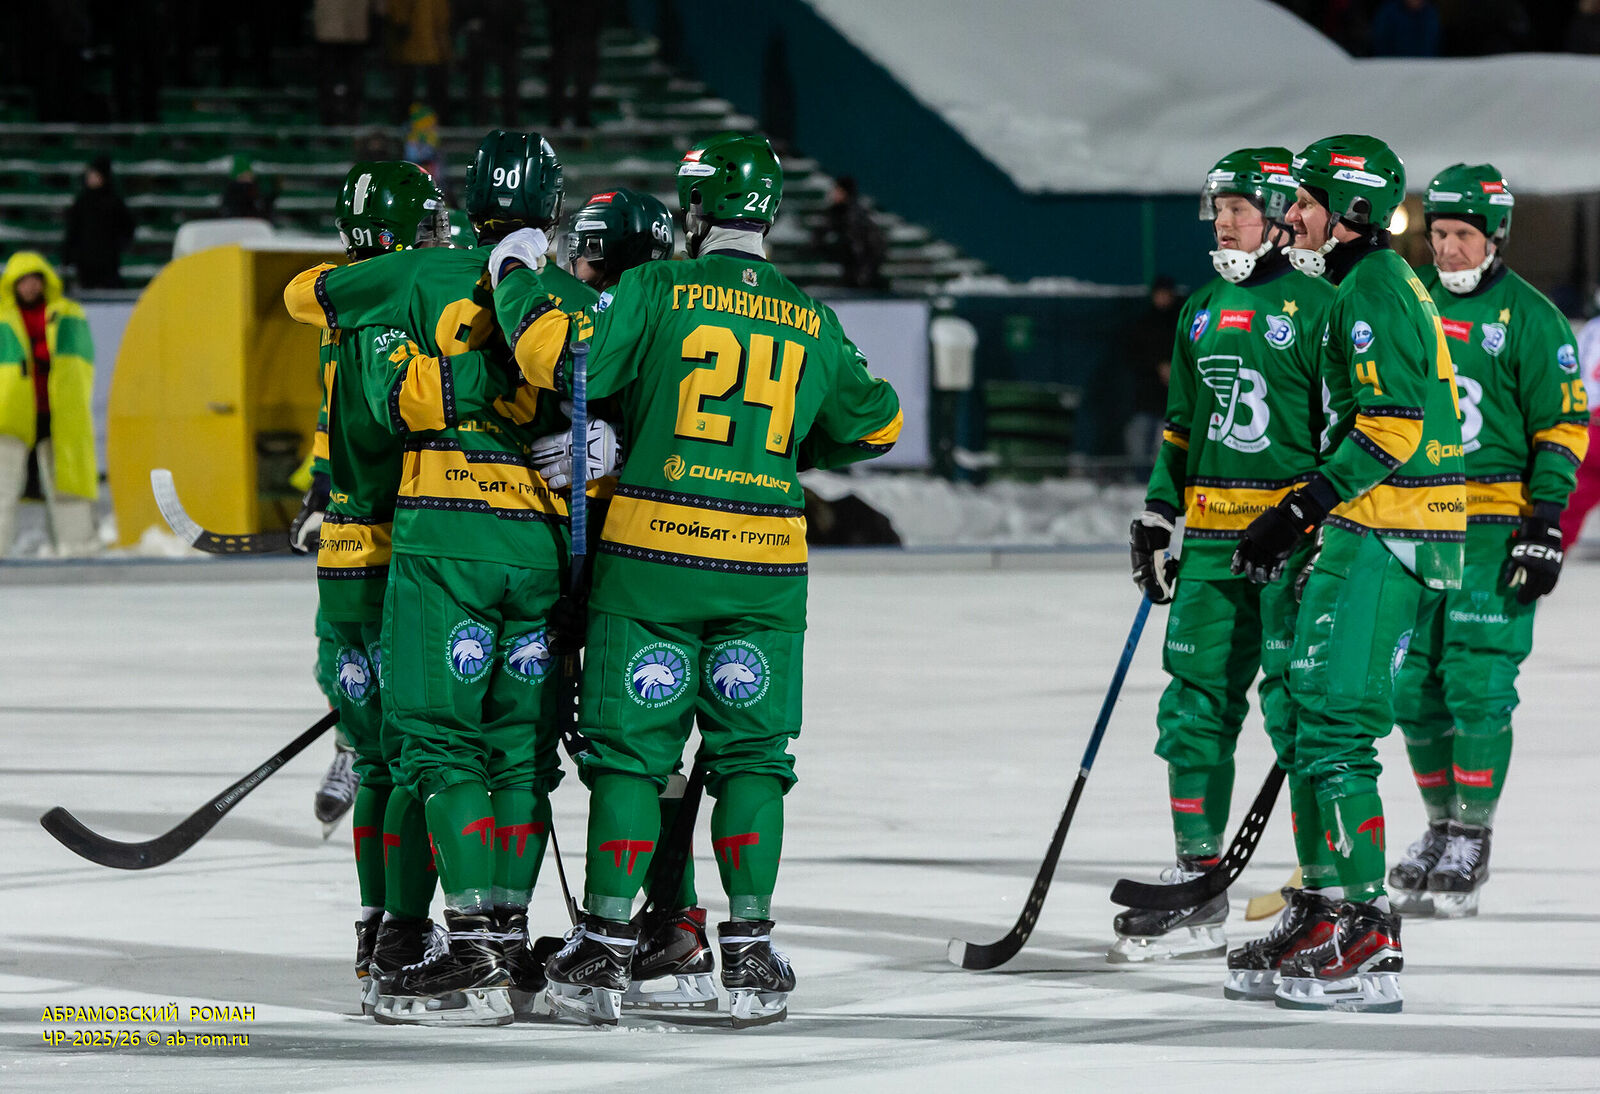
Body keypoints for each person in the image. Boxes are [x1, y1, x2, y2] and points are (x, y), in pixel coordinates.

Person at [492, 132, 903, 1027]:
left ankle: (604, 947)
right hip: (765, 569)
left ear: (698, 209)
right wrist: (782, 445)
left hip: (655, 562)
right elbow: (878, 425)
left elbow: (567, 359)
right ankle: (750, 951)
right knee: (754, 759)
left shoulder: (658, 287)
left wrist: (515, 275)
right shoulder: (810, 317)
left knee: (630, 758)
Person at [285, 130, 601, 1026]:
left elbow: (311, 301)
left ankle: (426, 942)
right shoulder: (568, 298)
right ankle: (506, 935)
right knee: (520, 759)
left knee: (413, 756)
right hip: (539, 544)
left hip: (419, 542)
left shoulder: (401, 282)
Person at [1227, 135, 1465, 1014]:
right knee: (1304, 719)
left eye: (1305, 201)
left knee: (1333, 726)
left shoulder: (1373, 287)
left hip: (1391, 529)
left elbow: (1395, 425)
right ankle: (1325, 906)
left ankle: (1367, 931)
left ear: (1351, 211)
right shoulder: (1359, 284)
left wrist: (1299, 510)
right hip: (1369, 525)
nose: (1290, 215)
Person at [1115, 150, 1335, 963]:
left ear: (1277, 214)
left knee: (1298, 712)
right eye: (1219, 210)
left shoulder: (1323, 306)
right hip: (1209, 543)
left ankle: (1323, 890)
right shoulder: (1201, 309)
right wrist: (1159, 511)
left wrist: (1325, 522)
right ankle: (1199, 878)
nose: (1224, 223)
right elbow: (1183, 425)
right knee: (1193, 707)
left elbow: (1348, 432)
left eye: (1240, 209)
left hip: (1287, 545)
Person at [1386, 165, 1587, 918]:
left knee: (1476, 685)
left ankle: (1472, 833)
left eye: (1461, 235)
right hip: (1415, 522)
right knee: (1411, 687)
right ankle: (1441, 826)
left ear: (1495, 235)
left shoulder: (1532, 318)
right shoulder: (1411, 304)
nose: (1446, 249)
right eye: (1437, 233)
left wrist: (1545, 520)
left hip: (1495, 527)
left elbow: (1562, 426)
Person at [290, 161, 457, 1011]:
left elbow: (331, 417)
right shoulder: (403, 304)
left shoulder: (342, 298)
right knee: (417, 763)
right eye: (425, 224)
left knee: (377, 762)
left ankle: (373, 938)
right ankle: (408, 936)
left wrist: (320, 493)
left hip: (343, 556)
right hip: (405, 552)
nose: (438, 236)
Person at [0, 252, 98, 557]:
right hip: (9, 414)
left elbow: (81, 364)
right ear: (12, 284)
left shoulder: (69, 314)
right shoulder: (3, 318)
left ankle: (77, 550)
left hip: (57, 413)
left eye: (35, 280)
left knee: (68, 485)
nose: (30, 287)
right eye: (23, 281)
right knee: (2, 487)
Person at [1120, 275, 1183, 477]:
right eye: (1160, 294)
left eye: (1167, 294)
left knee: (1166, 445)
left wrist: (1174, 369)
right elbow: (1133, 356)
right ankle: (1140, 478)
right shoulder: (1143, 324)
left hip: (1172, 399)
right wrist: (1158, 366)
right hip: (1145, 397)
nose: (1163, 298)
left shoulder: (1181, 322)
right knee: (1139, 442)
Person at [62, 157, 135, 290]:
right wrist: (69, 254)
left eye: (95, 175)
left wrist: (119, 244)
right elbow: (73, 230)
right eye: (90, 175)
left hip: (108, 260)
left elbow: (128, 226)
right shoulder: (82, 202)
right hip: (85, 261)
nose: (91, 179)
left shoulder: (114, 201)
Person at [810, 177, 887, 290]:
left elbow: (864, 246)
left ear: (845, 193)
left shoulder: (855, 214)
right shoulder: (835, 211)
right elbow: (822, 232)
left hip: (861, 264)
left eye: (838, 190)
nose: (833, 194)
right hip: (849, 263)